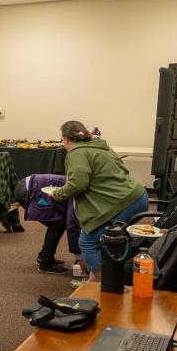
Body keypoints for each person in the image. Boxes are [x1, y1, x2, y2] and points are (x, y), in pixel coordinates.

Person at [51, 121, 147, 283]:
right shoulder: (101, 146)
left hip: (122, 202)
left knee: (88, 241)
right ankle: (108, 277)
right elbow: (122, 170)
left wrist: (58, 194)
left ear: (66, 139)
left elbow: (77, 184)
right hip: (138, 196)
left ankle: (99, 282)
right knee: (113, 237)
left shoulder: (76, 153)